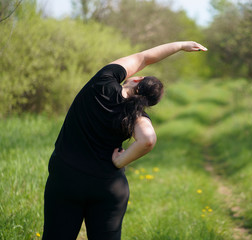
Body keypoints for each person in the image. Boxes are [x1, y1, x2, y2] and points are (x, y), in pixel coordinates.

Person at [42, 41, 207, 240]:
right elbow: (148, 139)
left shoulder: (103, 81)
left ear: (137, 80)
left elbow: (144, 58)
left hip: (66, 178)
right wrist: (121, 161)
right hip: (108, 187)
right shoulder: (136, 116)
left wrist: (181, 45)